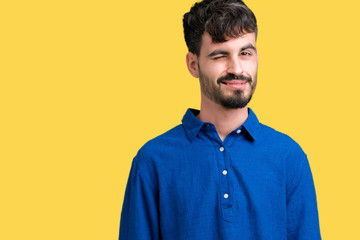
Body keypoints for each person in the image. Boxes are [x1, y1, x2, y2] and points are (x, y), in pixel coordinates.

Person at [118, 0, 321, 239]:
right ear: (193, 65)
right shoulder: (152, 160)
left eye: (245, 53)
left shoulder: (289, 156)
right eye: (220, 56)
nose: (236, 68)